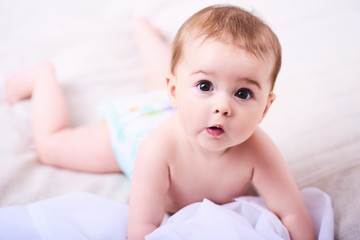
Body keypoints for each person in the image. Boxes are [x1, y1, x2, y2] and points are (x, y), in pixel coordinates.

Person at [5, 4, 315, 240]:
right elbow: (143, 226)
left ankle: (146, 35)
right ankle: (41, 79)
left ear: (265, 108)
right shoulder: (156, 149)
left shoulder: (259, 150)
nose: (222, 107)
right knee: (52, 145)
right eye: (207, 86)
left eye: (243, 93)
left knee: (178, 78)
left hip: (183, 109)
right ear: (175, 92)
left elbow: (292, 211)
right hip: (135, 136)